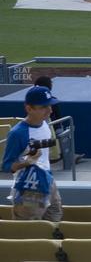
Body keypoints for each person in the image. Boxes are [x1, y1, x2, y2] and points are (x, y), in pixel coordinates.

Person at [2, 86, 62, 221]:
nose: (50, 110)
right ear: (29, 108)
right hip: (29, 187)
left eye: (50, 105)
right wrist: (26, 162)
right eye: (43, 107)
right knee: (29, 227)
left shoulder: (45, 123)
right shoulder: (17, 133)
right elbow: (6, 166)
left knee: (55, 219)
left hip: (48, 180)